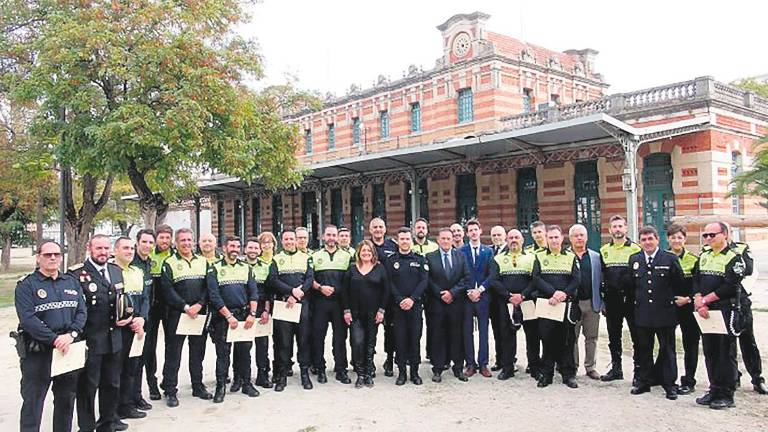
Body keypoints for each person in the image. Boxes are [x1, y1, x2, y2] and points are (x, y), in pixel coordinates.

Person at [15, 241, 86, 432]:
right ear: (38, 257)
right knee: (33, 403)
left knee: (65, 401)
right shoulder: (26, 285)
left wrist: (71, 334)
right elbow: (29, 320)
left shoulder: (71, 282)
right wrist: (55, 339)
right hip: (39, 353)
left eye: (56, 254)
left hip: (67, 350)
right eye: (47, 255)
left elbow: (81, 312)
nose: (53, 258)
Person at [70, 234, 130, 432]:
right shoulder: (77, 274)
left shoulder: (115, 271)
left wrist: (129, 316)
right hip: (91, 340)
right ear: (89, 248)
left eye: (106, 248)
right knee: (88, 387)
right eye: (99, 249)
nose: (103, 252)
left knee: (112, 384)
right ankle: (86, 426)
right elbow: (76, 309)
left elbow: (123, 301)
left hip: (114, 339)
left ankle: (107, 423)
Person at [693, 222, 746, 410]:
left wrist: (705, 300)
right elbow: (697, 278)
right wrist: (698, 299)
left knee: (725, 352)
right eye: (705, 235)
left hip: (724, 309)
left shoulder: (735, 258)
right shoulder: (704, 255)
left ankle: (726, 393)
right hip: (705, 311)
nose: (708, 239)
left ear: (724, 235)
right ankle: (714, 388)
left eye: (712, 235)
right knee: (710, 351)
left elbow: (729, 286)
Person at [628, 226, 685, 400]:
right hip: (643, 312)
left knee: (667, 350)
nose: (647, 242)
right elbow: (631, 287)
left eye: (650, 239)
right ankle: (644, 382)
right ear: (640, 242)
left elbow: (680, 284)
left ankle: (669, 384)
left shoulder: (669, 258)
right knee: (644, 349)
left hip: (664, 313)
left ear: (657, 240)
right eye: (643, 240)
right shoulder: (634, 259)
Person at [160, 228, 213, 407]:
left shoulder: (204, 262)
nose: (186, 243)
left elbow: (209, 287)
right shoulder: (169, 263)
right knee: (173, 354)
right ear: (176, 243)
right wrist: (185, 307)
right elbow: (167, 290)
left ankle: (198, 386)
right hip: (177, 315)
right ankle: (170, 390)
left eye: (189, 240)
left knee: (197, 353)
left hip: (199, 313)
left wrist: (199, 305)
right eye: (182, 240)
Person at [208, 236, 260, 403]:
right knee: (223, 354)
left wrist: (252, 314)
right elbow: (214, 296)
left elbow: (253, 293)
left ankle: (246, 383)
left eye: (238, 246)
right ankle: (221, 386)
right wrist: (228, 316)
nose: (235, 249)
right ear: (224, 248)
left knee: (245, 352)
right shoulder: (214, 268)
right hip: (223, 317)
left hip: (244, 316)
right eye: (231, 246)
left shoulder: (246, 268)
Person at [532, 225, 580, 389]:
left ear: (561, 238)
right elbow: (536, 278)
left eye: (556, 237)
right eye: (550, 237)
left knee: (567, 340)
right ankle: (546, 374)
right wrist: (553, 293)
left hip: (565, 304)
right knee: (547, 339)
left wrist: (563, 294)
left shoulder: (570, 257)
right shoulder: (538, 256)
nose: (553, 240)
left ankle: (568, 375)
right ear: (546, 239)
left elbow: (576, 279)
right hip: (547, 304)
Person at [267, 229, 314, 391]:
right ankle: (281, 376)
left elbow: (309, 278)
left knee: (303, 341)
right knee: (284, 342)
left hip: (302, 304)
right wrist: (290, 292)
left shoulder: (306, 257)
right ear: (282, 241)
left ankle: (304, 374)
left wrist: (297, 294)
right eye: (286, 239)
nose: (289, 242)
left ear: (296, 240)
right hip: (284, 304)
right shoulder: (276, 259)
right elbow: (273, 280)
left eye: (291, 239)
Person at [488, 229, 536, 380]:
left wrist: (522, 295)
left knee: (532, 334)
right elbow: (494, 280)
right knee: (507, 335)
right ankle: (507, 368)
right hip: (506, 302)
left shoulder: (532, 257)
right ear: (506, 241)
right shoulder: (498, 259)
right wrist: (509, 296)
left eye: (517, 237)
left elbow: (535, 279)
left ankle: (534, 367)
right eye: (511, 238)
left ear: (522, 240)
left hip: (527, 301)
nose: (514, 240)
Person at [599, 215, 641, 382]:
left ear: (626, 228)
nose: (617, 229)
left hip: (631, 300)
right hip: (612, 300)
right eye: (614, 227)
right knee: (613, 337)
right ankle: (616, 369)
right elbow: (601, 277)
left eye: (620, 226)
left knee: (637, 337)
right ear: (610, 230)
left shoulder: (636, 249)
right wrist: (602, 301)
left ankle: (639, 371)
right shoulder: (604, 251)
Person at [114, 236, 152, 421]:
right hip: (120, 328)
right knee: (116, 371)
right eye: (125, 248)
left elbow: (145, 298)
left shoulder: (137, 271)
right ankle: (114, 409)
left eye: (131, 248)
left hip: (137, 327)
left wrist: (142, 319)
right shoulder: (111, 272)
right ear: (116, 251)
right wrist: (129, 320)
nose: (129, 251)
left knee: (132, 368)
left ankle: (127, 404)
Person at [426, 227, 470, 382]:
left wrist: (452, 293)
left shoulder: (461, 256)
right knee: (438, 336)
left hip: (456, 303)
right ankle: (437, 369)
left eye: (448, 239)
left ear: (453, 240)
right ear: (438, 240)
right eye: (443, 238)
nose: (445, 241)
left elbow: (466, 278)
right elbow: (428, 280)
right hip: (437, 304)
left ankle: (458, 368)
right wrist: (441, 294)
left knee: (457, 336)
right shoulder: (430, 257)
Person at [342, 240, 389, 388]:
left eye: (369, 251)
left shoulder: (380, 268)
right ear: (358, 253)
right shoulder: (351, 269)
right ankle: (360, 373)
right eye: (363, 251)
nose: (366, 253)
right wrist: (346, 310)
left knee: (370, 343)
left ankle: (368, 373)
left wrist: (382, 310)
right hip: (355, 313)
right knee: (357, 342)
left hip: (373, 313)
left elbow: (386, 291)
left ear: (373, 253)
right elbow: (344, 291)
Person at [385, 227, 428, 385]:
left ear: (412, 240)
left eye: (407, 239)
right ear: (398, 241)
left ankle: (415, 373)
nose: (404, 242)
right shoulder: (391, 261)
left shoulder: (419, 259)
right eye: (402, 239)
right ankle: (402, 373)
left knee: (415, 340)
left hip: (415, 306)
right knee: (400, 340)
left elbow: (424, 281)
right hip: (398, 307)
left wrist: (412, 299)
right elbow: (389, 282)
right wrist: (400, 299)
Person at [310, 225, 352, 384]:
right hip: (320, 302)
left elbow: (350, 280)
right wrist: (321, 288)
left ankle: (341, 369)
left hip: (339, 303)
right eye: (328, 235)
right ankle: (320, 369)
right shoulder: (315, 256)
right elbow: (309, 279)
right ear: (323, 236)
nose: (331, 238)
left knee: (340, 338)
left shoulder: (347, 256)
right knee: (318, 337)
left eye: (334, 235)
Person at [666, 224, 700, 395]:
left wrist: (687, 299)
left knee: (690, 344)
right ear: (668, 239)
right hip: (668, 307)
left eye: (679, 237)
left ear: (685, 239)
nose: (676, 240)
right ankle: (666, 378)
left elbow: (698, 284)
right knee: (667, 344)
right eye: (673, 237)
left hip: (688, 307)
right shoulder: (662, 258)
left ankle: (689, 381)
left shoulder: (694, 259)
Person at [460, 219, 494, 378]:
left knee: (483, 331)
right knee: (467, 331)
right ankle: (470, 364)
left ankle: (483, 363)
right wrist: (468, 291)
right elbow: (459, 274)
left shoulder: (488, 251)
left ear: (480, 231)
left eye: (476, 229)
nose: (473, 233)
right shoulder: (461, 251)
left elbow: (492, 274)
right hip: (466, 298)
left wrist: (480, 290)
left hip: (483, 296)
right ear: (467, 233)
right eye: (470, 230)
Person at [569, 224, 603, 381]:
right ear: (570, 238)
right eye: (576, 235)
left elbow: (601, 280)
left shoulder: (596, 257)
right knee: (571, 337)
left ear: (587, 237)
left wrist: (602, 302)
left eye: (582, 235)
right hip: (572, 304)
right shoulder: (566, 256)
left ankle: (590, 367)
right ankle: (572, 366)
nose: (579, 238)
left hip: (591, 302)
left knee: (591, 337)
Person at [144, 224, 174, 401]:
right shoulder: (149, 255)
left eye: (167, 237)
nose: (164, 240)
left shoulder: (174, 255)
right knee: (150, 346)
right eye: (161, 237)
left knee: (172, 345)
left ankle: (168, 382)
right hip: (151, 306)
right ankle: (151, 382)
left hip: (170, 305)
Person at [369, 217, 398, 377]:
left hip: (391, 295)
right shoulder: (366, 246)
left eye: (381, 227)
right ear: (370, 229)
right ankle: (370, 361)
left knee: (391, 331)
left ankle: (389, 360)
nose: (378, 230)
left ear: (385, 229)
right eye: (375, 227)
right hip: (372, 295)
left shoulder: (393, 246)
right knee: (371, 330)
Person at [244, 234, 274, 389]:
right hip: (244, 310)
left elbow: (268, 291)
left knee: (262, 345)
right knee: (243, 346)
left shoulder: (265, 266)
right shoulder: (240, 266)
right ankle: (241, 377)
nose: (253, 250)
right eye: (250, 247)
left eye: (256, 247)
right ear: (245, 249)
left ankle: (263, 375)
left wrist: (267, 310)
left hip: (262, 309)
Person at [488, 224, 507, 372]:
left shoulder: (510, 250)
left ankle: (508, 359)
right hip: (492, 297)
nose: (496, 238)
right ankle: (500, 359)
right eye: (494, 235)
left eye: (499, 235)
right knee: (496, 329)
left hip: (505, 297)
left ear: (504, 236)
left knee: (507, 329)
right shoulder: (489, 251)